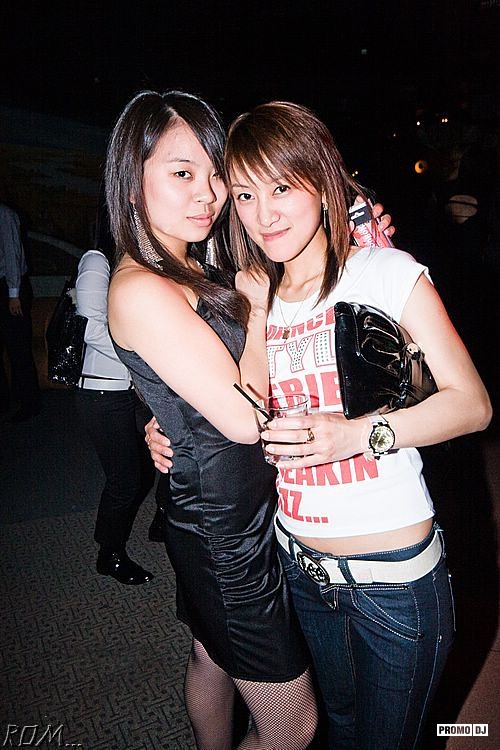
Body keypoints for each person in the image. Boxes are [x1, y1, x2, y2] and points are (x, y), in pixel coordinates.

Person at [147, 100, 492, 749]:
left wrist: (357, 434)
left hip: (393, 581)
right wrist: (167, 429)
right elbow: (225, 400)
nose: (264, 214)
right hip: (299, 572)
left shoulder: (384, 272)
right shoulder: (249, 299)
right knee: (336, 730)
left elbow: (472, 404)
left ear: (322, 179)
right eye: (245, 194)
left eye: (281, 187)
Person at [105, 89, 318, 750]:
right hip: (226, 530)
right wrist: (256, 305)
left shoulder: (186, 267)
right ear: (132, 182)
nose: (209, 194)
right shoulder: (142, 285)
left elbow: (177, 378)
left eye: (215, 173)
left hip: (219, 503)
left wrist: (160, 419)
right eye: (182, 172)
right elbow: (244, 420)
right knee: (293, 725)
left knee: (210, 655)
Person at [74, 211, 171, 585]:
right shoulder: (97, 260)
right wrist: (142, 354)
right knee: (125, 479)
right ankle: (109, 554)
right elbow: (91, 328)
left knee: (163, 455)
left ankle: (162, 518)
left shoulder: (131, 262)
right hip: (101, 393)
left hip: (130, 389)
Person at [0, 202, 41, 422]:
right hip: (6, 287)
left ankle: (29, 402)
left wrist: (13, 294)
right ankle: (6, 400)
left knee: (18, 349)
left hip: (8, 288)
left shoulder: (4, 215)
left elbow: (12, 253)